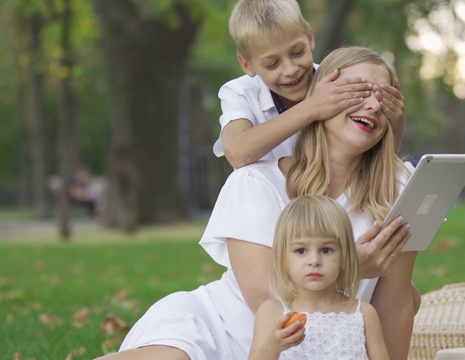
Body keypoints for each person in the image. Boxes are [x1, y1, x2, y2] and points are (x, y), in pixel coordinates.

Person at [99, 46, 415, 360]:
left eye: (384, 97)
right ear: (319, 99)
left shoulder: (399, 189)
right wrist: (350, 266)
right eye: (357, 91)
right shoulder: (257, 182)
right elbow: (266, 300)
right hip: (226, 331)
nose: (373, 105)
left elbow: (396, 304)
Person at [214, 0, 405, 169]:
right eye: (272, 64)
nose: (290, 70)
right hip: (272, 198)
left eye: (297, 52)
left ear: (310, 37)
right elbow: (237, 153)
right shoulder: (240, 92)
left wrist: (395, 128)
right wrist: (312, 107)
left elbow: (374, 158)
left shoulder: (335, 79)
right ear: (247, 65)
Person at [249, 195, 389, 359]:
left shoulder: (364, 314)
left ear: (344, 256)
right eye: (301, 251)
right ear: (283, 258)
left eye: (326, 250)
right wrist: (273, 346)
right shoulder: (273, 312)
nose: (314, 261)